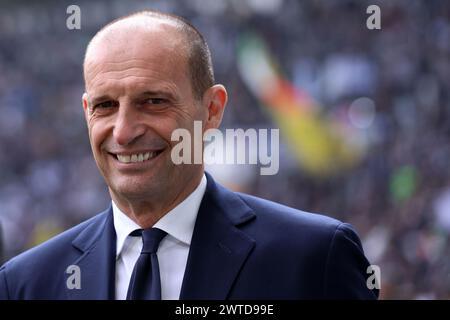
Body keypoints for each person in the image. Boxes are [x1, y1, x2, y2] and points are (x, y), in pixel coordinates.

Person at [0, 10, 378, 300]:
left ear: (212, 109)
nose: (124, 131)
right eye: (105, 105)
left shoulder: (313, 258)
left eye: (153, 101)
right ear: (86, 112)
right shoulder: (26, 283)